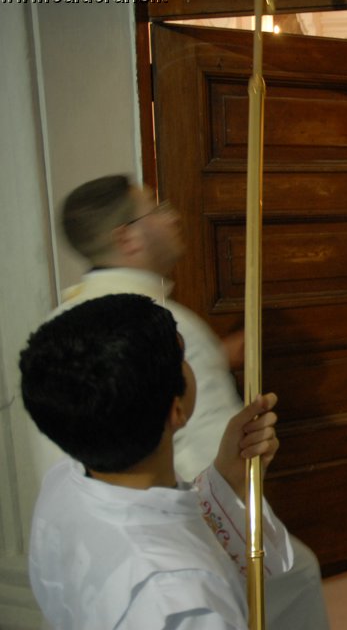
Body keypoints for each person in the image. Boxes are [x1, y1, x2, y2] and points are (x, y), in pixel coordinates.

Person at [55, 175, 329, 628]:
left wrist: (213, 357)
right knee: (294, 573)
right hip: (169, 544)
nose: (172, 216)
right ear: (127, 237)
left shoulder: (66, 319)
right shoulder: (165, 327)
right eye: (155, 209)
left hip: (93, 540)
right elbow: (208, 458)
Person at [20, 293, 291, 628]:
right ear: (176, 409)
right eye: (183, 356)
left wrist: (226, 477)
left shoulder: (63, 482)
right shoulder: (181, 599)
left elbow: (154, 523)